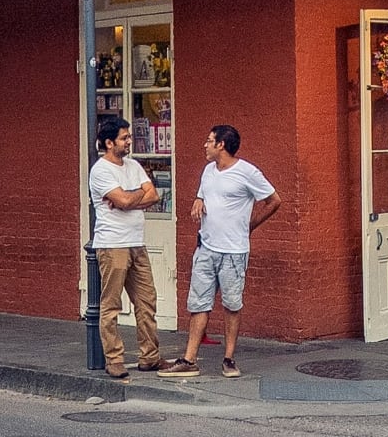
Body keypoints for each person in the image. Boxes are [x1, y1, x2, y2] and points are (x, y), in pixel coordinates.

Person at [157, 124, 280, 379]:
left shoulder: (247, 172)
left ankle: (229, 358)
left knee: (232, 305)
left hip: (234, 251)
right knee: (198, 303)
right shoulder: (208, 170)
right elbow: (204, 194)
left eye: (209, 140)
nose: (205, 144)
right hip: (206, 248)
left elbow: (274, 200)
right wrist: (198, 199)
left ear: (221, 144)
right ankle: (189, 359)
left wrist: (251, 225)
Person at [89, 116, 164, 379]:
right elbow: (122, 201)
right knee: (111, 305)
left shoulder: (133, 165)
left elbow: (154, 195)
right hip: (112, 244)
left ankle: (150, 357)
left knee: (147, 301)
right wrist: (132, 197)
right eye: (124, 138)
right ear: (109, 143)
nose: (129, 141)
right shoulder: (100, 171)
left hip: (136, 241)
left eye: (129, 136)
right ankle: (114, 359)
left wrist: (127, 199)